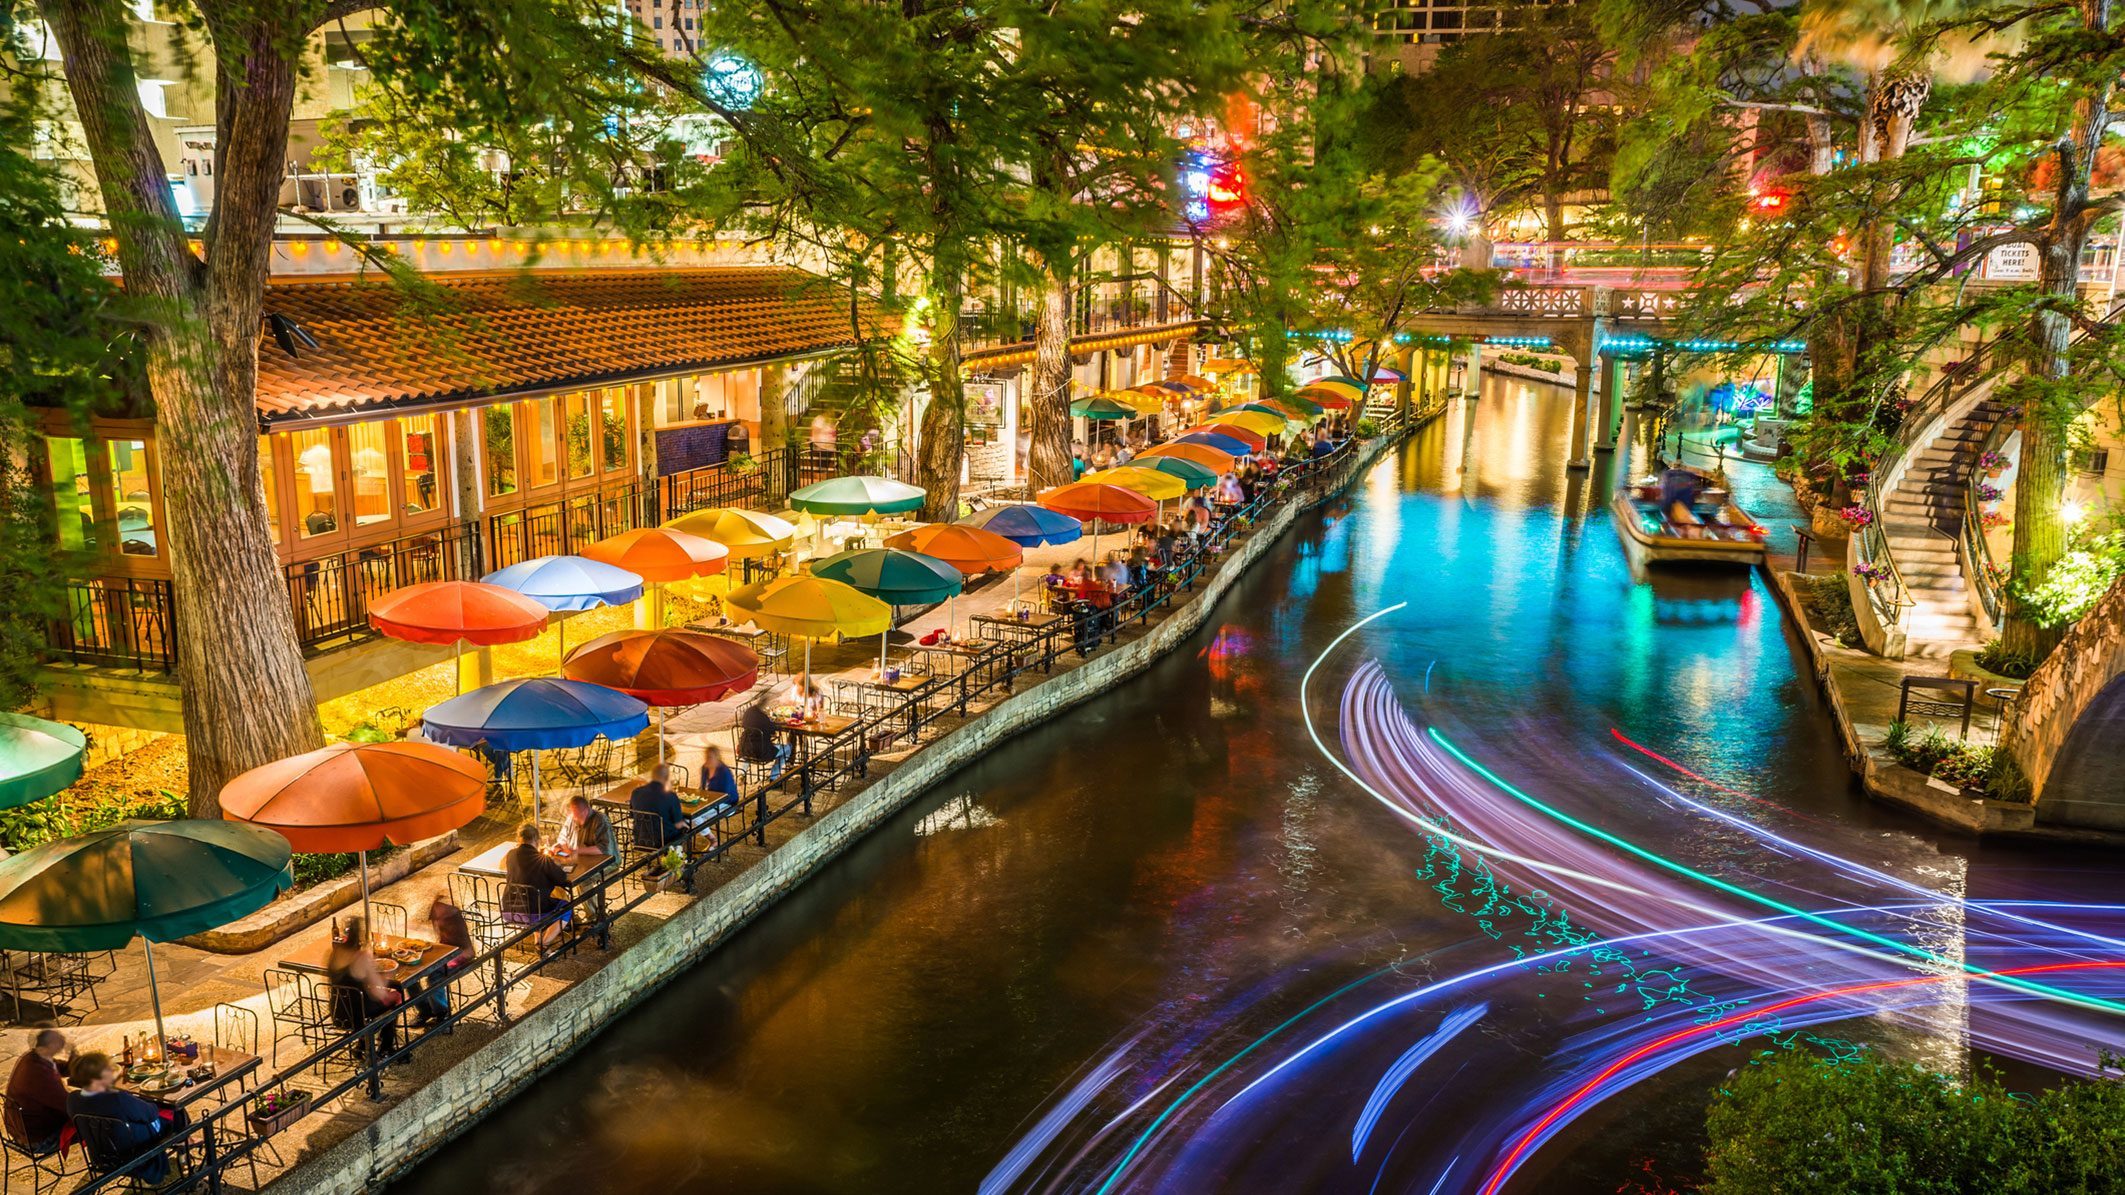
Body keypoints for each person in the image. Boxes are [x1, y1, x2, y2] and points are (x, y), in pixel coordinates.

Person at [65, 1053, 184, 1183]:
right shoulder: (116, 1099)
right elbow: (150, 1113)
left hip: (102, 1155)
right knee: (177, 1111)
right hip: (133, 1153)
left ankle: (183, 1142)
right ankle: (184, 1145)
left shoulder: (73, 1099)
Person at [327, 916, 407, 1063]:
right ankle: (386, 1047)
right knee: (395, 997)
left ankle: (362, 1045)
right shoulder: (361, 957)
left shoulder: (333, 954)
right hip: (359, 1013)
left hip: (338, 1012)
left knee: (370, 999)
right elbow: (379, 992)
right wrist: (387, 978)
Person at [501, 823, 571, 950]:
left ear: (519, 839)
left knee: (532, 898)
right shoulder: (541, 859)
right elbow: (561, 878)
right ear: (537, 840)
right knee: (566, 907)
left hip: (509, 910)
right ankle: (543, 944)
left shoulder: (511, 855)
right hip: (534, 912)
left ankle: (538, 940)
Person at [413, 892, 473, 1025]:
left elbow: (468, 952)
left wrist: (445, 959)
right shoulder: (440, 919)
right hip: (443, 955)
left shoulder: (455, 922)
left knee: (434, 977)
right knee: (413, 975)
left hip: (460, 959)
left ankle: (442, 1012)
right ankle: (424, 1009)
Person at [5, 1029, 69, 1148]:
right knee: (97, 1122)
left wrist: (79, 1065)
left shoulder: (32, 1057)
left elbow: (57, 1066)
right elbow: (68, 1106)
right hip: (38, 1139)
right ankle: (105, 1162)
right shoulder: (39, 1073)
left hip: (23, 1130)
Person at [737, 697, 794, 783]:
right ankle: (774, 777)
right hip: (761, 752)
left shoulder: (748, 712)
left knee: (749, 751)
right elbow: (772, 730)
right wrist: (780, 723)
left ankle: (741, 773)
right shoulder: (763, 717)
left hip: (745, 748)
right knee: (788, 748)